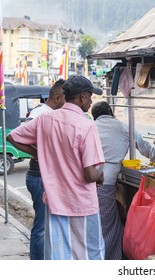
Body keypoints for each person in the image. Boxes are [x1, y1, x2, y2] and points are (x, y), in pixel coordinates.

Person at [7, 76, 105, 260]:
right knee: (91, 255)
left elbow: (13, 137)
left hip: (55, 202)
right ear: (82, 96)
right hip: (82, 204)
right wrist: (100, 174)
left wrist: (37, 153)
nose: (91, 101)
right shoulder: (87, 125)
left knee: (59, 255)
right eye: (91, 96)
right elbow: (91, 174)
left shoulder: (45, 119)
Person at [91, 100, 155, 260]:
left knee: (93, 225)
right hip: (104, 184)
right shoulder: (125, 127)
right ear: (111, 112)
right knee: (106, 226)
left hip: (87, 182)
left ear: (95, 116)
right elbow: (149, 150)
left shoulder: (90, 128)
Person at [24, 79, 65, 260]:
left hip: (44, 178)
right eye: (66, 97)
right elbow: (18, 136)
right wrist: (39, 153)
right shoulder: (40, 113)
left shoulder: (49, 113)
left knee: (48, 227)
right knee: (41, 228)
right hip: (40, 177)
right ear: (57, 98)